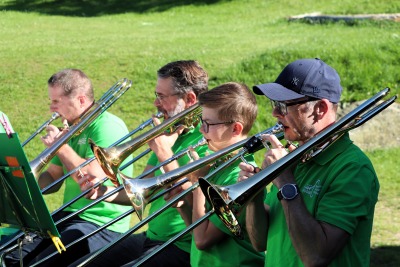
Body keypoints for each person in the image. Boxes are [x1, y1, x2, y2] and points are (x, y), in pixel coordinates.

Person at [239, 58, 379, 266]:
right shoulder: (295, 157)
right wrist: (254, 196)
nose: (275, 113)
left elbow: (316, 256)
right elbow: (260, 242)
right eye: (275, 104)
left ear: (320, 109)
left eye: (284, 105)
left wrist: (285, 181)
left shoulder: (353, 168)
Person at [71, 60, 210, 267]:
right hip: (152, 237)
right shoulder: (170, 132)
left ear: (190, 99)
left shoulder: (206, 140)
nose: (156, 103)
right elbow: (141, 189)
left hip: (183, 247)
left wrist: (164, 153)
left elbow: (197, 206)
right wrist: (101, 192)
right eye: (157, 95)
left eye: (162, 96)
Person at [4, 69, 133, 266]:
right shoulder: (71, 128)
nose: (51, 108)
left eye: (56, 101)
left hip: (101, 221)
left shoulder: (107, 126)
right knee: (11, 254)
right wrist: (18, 183)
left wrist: (61, 146)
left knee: (41, 263)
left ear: (81, 100)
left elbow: (92, 179)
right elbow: (53, 178)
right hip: (71, 214)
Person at [175, 82, 265, 266]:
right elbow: (197, 229)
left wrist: (199, 182)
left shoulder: (240, 176)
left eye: (208, 124)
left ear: (236, 129)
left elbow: (203, 240)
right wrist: (182, 205)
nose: (201, 130)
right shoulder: (217, 163)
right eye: (202, 122)